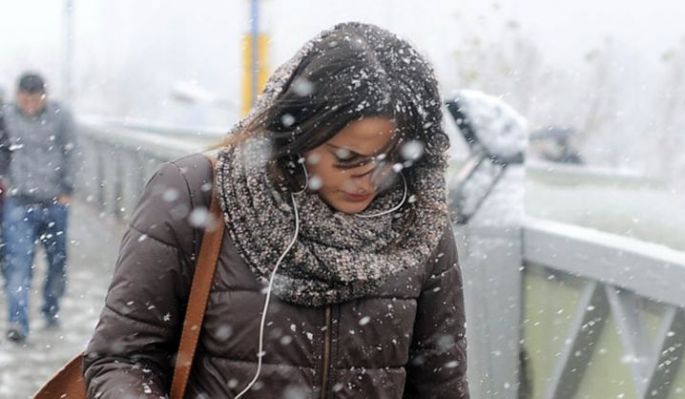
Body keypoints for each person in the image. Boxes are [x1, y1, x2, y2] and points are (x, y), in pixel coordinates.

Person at [84, 22, 469, 398]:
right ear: (301, 134)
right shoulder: (196, 193)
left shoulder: (417, 222)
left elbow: (441, 385)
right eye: (348, 159)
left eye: (390, 160)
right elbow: (122, 358)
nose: (366, 181)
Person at [0, 72, 77, 343]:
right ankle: (18, 322)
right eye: (25, 97)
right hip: (19, 203)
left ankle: (50, 308)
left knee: (57, 262)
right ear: (17, 95)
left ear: (44, 95)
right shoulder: (6, 116)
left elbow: (72, 151)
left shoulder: (61, 117)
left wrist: (68, 188)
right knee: (18, 264)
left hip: (55, 201)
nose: (30, 102)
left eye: (35, 97)